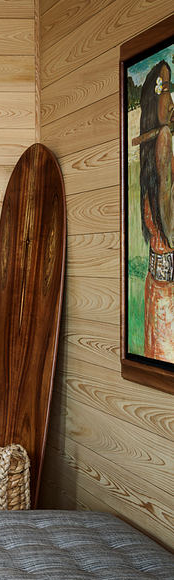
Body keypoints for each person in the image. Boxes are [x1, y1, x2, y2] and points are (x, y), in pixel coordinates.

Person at [138, 60, 174, 360]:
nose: (170, 99)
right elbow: (170, 229)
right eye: (163, 88)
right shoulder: (162, 142)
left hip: (159, 287)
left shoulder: (158, 143)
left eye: (170, 87)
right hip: (165, 292)